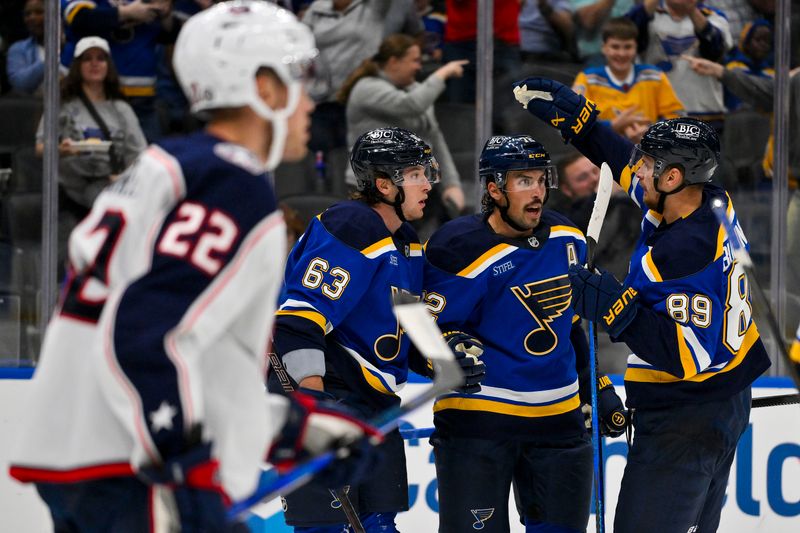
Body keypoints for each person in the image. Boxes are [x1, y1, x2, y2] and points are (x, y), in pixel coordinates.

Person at [9, 3, 381, 531]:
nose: (310, 100)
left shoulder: (167, 165)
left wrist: (291, 426)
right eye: (299, 78)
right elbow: (144, 334)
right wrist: (182, 464)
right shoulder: (231, 182)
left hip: (90, 454)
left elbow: (192, 350)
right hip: (132, 466)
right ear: (263, 89)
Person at [513, 76, 772, 533]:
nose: (638, 170)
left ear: (673, 177)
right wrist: (584, 124)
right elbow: (626, 168)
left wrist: (617, 307)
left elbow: (687, 356)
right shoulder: (708, 201)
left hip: (686, 419)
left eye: (648, 164)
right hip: (726, 396)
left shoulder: (683, 252)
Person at [423, 134, 626, 533]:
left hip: (559, 424)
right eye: (523, 182)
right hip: (478, 425)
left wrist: (596, 386)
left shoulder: (568, 238)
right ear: (495, 188)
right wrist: (445, 354)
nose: (538, 193)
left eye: (541, 179)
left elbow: (570, 329)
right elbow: (426, 331)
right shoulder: (457, 246)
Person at [270, 127, 442, 532]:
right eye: (416, 174)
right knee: (323, 526)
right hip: (329, 394)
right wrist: (312, 405)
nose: (427, 184)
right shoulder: (352, 224)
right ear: (384, 184)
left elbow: (404, 330)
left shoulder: (407, 240)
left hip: (375, 405)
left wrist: (443, 361)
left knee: (380, 524)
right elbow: (298, 321)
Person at [338, 33, 468, 226]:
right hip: (374, 187)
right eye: (414, 60)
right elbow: (411, 105)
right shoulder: (366, 88)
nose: (419, 66)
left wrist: (451, 184)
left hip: (415, 184)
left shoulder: (416, 89)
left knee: (415, 248)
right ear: (394, 62)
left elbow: (434, 138)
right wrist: (443, 73)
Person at [626, 0, 733, 132]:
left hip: (705, 114)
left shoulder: (714, 16)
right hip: (659, 115)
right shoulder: (648, 13)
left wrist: (691, 10)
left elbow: (715, 51)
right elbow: (624, 33)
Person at [573, 17, 684, 142]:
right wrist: (612, 126)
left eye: (627, 47)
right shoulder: (587, 80)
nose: (621, 53)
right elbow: (571, 125)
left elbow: (677, 118)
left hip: (650, 153)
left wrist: (651, 131)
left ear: (635, 47)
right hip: (601, 157)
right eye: (615, 47)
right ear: (604, 48)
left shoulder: (654, 75)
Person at [5, 0, 45, 95]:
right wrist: (49, 60)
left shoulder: (72, 47)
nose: (32, 17)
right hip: (33, 106)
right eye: (27, 14)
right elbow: (20, 84)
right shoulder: (18, 49)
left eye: (39, 12)